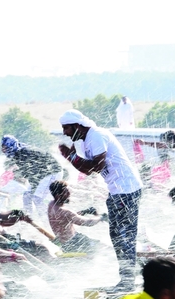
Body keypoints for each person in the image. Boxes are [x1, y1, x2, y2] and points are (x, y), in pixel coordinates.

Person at [58, 110, 143, 289]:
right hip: (117, 191)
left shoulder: (96, 135)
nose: (64, 132)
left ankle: (128, 280)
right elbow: (87, 170)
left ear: (77, 125)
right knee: (117, 234)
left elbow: (97, 165)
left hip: (127, 190)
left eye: (66, 128)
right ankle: (132, 274)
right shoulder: (84, 140)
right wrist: (71, 156)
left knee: (124, 234)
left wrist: (71, 156)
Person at [1, 135, 66, 216]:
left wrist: (35, 188)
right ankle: (29, 218)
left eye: (5, 148)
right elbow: (32, 173)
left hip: (54, 172)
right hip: (44, 174)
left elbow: (35, 174)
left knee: (37, 198)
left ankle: (46, 219)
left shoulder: (24, 153)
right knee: (27, 195)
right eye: (2, 148)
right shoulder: (18, 152)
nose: (3, 151)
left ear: (11, 146)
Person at [47, 180, 106, 253]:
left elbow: (65, 219)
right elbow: (88, 222)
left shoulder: (51, 205)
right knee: (104, 248)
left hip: (65, 243)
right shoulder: (65, 212)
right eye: (66, 192)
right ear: (58, 195)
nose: (69, 194)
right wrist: (101, 217)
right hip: (74, 243)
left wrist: (84, 212)